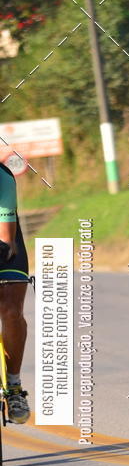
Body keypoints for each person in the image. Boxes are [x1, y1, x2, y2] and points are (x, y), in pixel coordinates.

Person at [0, 161, 31, 423]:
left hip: (3, 242)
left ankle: (14, 386)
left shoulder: (2, 178)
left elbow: (5, 240)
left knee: (11, 309)